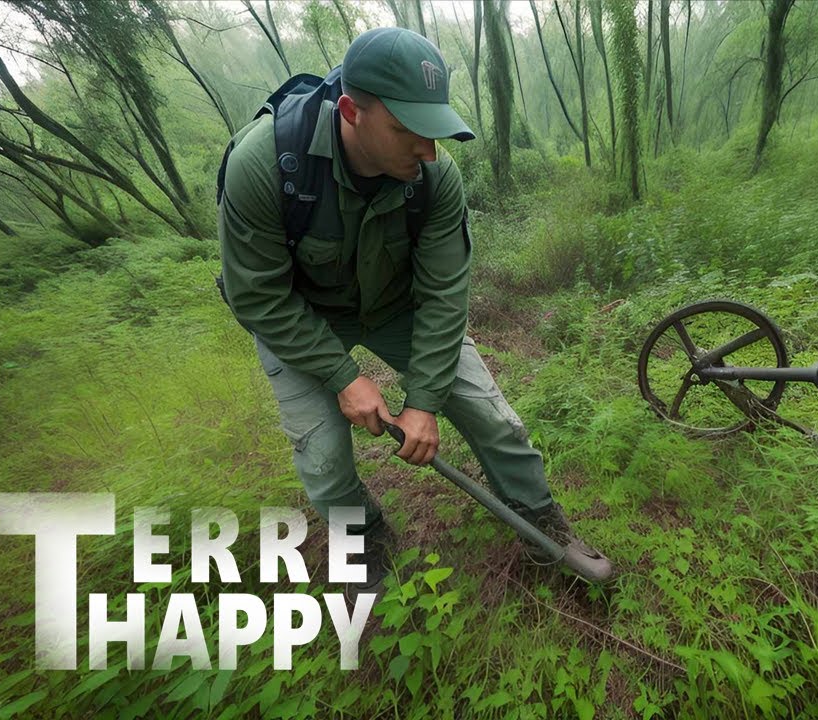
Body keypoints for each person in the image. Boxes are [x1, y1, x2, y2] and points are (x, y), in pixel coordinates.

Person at [217, 27, 613, 588]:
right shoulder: (264, 164)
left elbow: (444, 294)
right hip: (298, 318)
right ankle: (363, 536)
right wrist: (342, 376)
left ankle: (539, 520)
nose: (428, 150)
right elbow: (257, 295)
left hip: (397, 307)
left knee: (492, 418)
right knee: (323, 456)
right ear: (351, 112)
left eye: (434, 131)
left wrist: (424, 401)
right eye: (408, 131)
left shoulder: (434, 175)